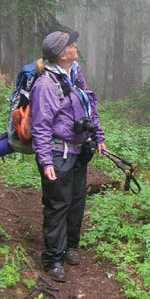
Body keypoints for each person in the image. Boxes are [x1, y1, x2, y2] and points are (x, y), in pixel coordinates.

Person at [30, 30, 106, 282]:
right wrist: (45, 161)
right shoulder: (45, 84)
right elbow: (40, 126)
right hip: (57, 153)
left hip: (79, 151)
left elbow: (88, 104)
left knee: (76, 202)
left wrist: (98, 136)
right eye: (71, 45)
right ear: (61, 54)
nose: (75, 46)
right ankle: (53, 259)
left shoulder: (75, 72)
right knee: (57, 205)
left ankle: (70, 246)